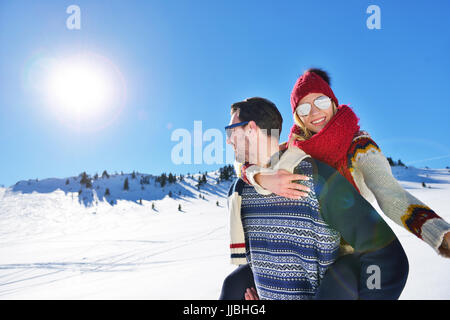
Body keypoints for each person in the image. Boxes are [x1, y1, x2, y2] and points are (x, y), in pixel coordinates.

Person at [239, 68, 450, 258]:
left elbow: (390, 195)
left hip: (348, 255)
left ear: (332, 102)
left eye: (320, 102)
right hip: (303, 255)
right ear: (297, 117)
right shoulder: (291, 150)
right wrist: (261, 177)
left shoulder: (359, 146)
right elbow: (243, 162)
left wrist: (439, 232)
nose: (314, 113)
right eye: (303, 109)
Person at [219, 97, 408, 300]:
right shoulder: (242, 190)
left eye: (231, 131)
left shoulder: (315, 179)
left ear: (251, 129)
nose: (228, 140)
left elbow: (387, 257)